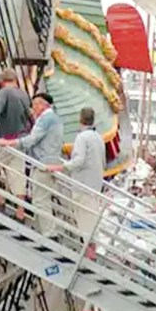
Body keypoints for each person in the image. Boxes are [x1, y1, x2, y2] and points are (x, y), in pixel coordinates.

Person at [45, 107, 105, 255]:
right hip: (95, 184)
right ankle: (93, 252)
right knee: (91, 221)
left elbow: (79, 160)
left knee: (84, 223)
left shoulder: (82, 138)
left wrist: (61, 166)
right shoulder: (98, 137)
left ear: (80, 120)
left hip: (82, 185)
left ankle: (90, 255)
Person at [0, 67, 33, 211]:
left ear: (2, 81)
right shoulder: (24, 95)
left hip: (6, 140)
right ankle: (20, 212)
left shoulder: (4, 93)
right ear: (15, 79)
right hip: (21, 140)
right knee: (17, 174)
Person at [6, 91, 63, 228]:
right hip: (51, 161)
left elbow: (32, 139)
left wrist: (11, 142)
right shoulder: (55, 119)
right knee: (43, 200)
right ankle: (48, 232)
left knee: (40, 201)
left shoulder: (45, 119)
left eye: (36, 104)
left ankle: (49, 234)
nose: (34, 108)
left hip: (43, 163)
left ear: (44, 105)